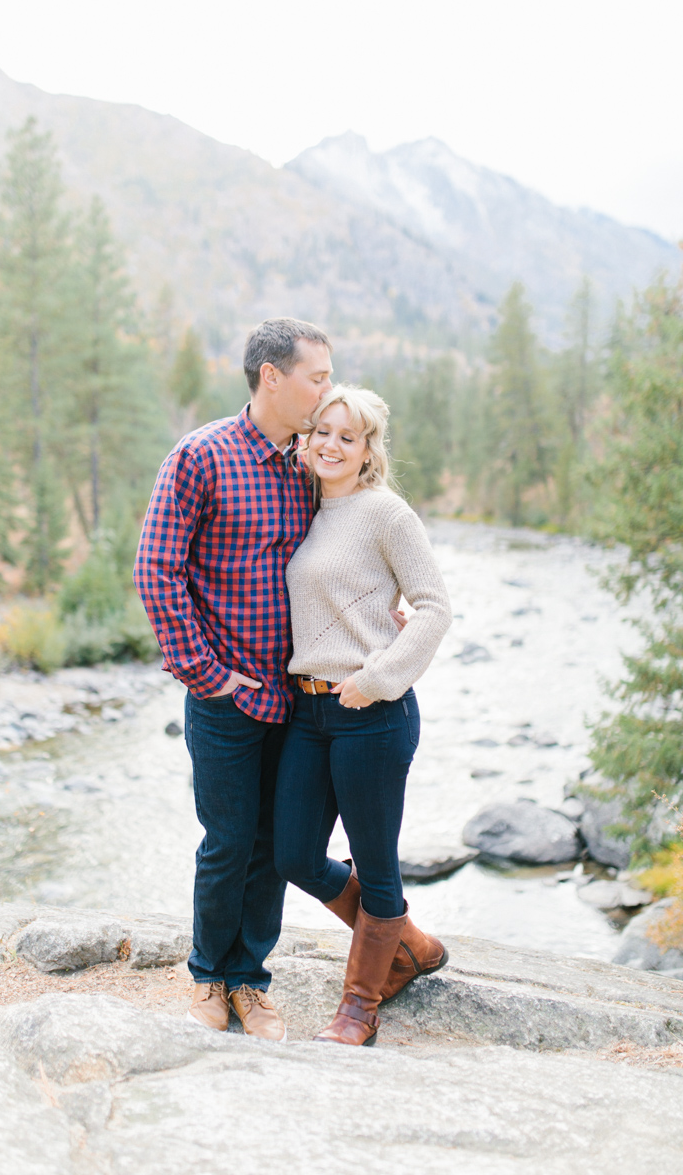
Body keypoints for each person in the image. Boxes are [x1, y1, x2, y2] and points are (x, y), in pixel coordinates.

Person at [133, 317, 333, 1041]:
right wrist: (207, 676)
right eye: (317, 377)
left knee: (274, 844)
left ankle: (251, 979)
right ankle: (209, 978)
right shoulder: (201, 456)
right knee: (226, 840)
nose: (326, 391)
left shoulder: (312, 463)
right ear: (271, 377)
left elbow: (345, 554)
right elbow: (157, 571)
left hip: (300, 693)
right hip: (227, 694)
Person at [274, 383, 453, 1046]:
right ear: (306, 437)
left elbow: (433, 606)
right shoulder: (297, 508)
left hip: (371, 714)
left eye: (347, 437)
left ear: (367, 449)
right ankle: (407, 943)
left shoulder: (387, 515)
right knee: (292, 852)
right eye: (322, 431)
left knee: (375, 864)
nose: (331, 444)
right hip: (307, 711)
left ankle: (360, 1007)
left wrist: (379, 677)